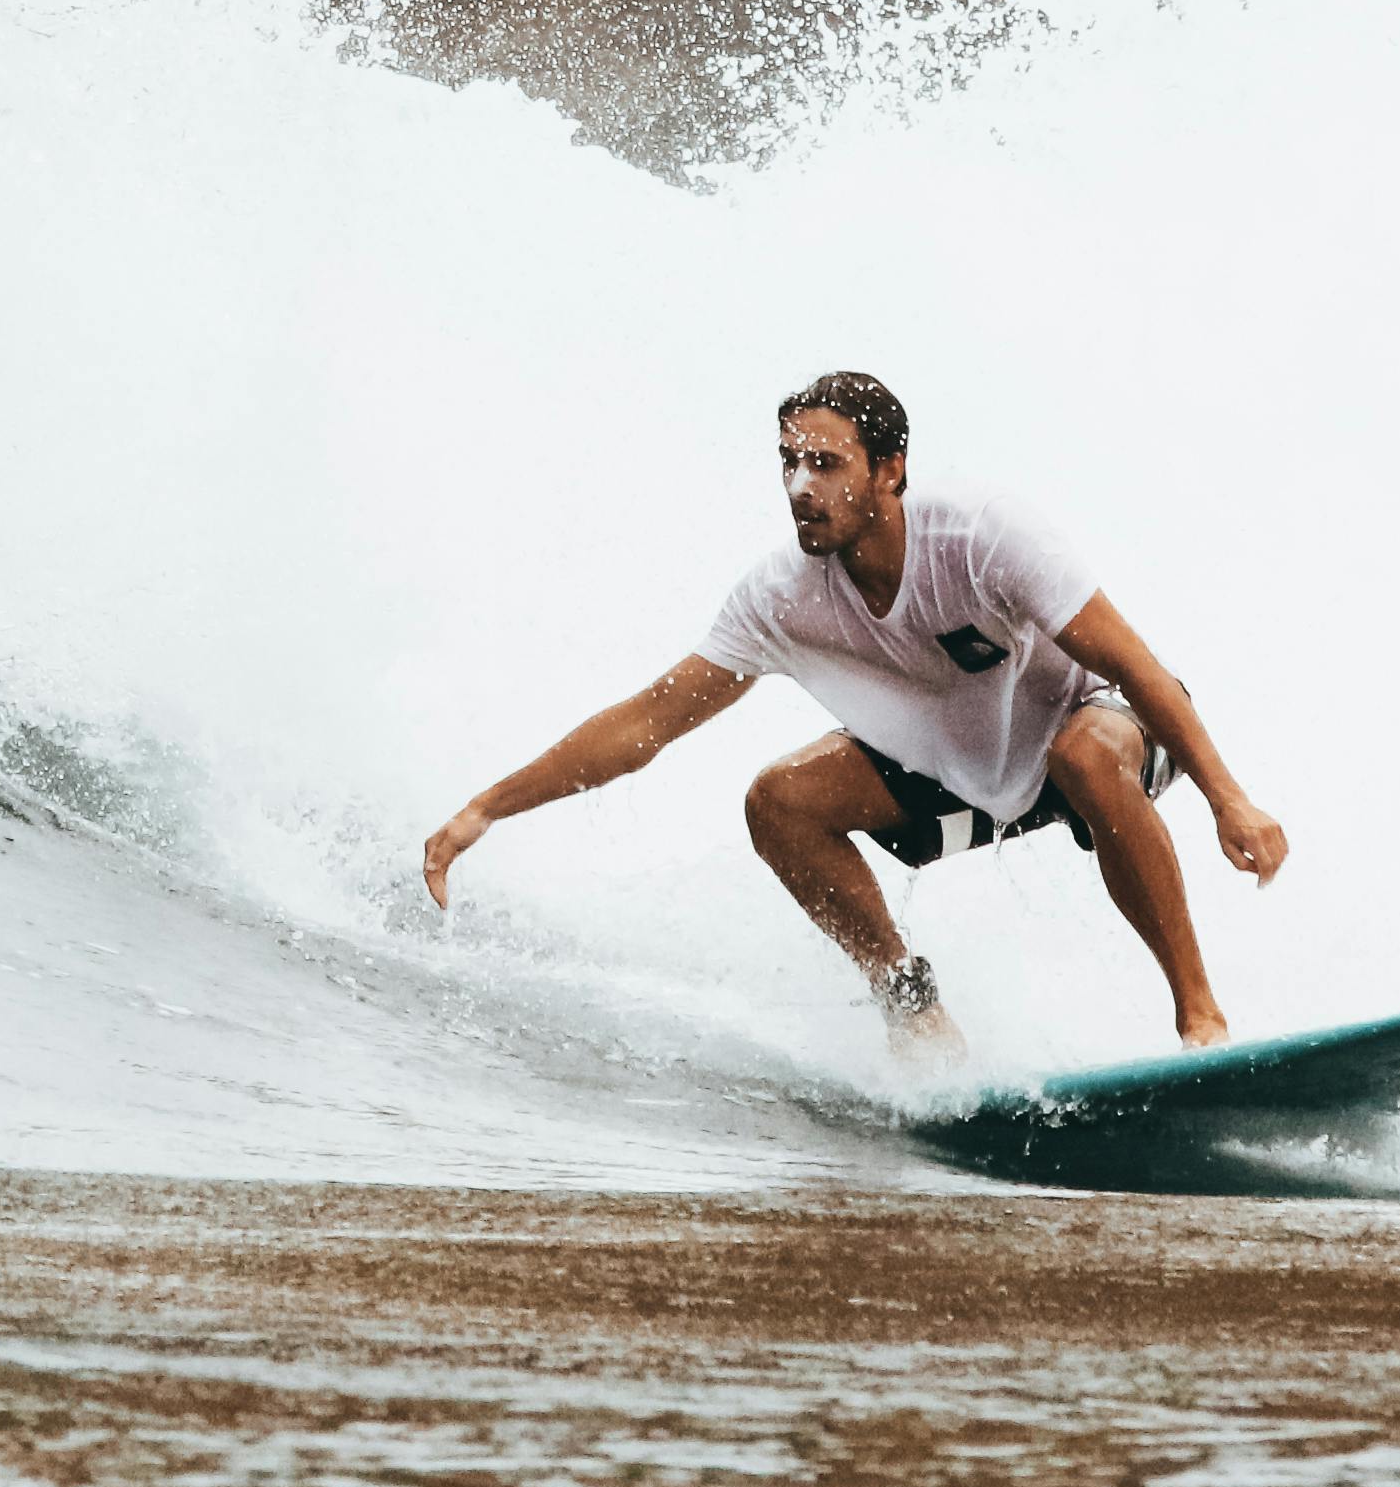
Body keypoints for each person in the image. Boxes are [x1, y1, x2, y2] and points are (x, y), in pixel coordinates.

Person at [422, 370, 1288, 1060]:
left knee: (1087, 756)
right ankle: (911, 1009)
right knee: (780, 802)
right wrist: (483, 810)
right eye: (787, 464)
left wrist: (1228, 799)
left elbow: (1136, 669)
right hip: (970, 779)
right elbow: (645, 722)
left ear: (890, 470)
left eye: (825, 465)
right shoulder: (781, 596)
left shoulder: (982, 536)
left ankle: (1198, 1020)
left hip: (1103, 725)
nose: (800, 487)